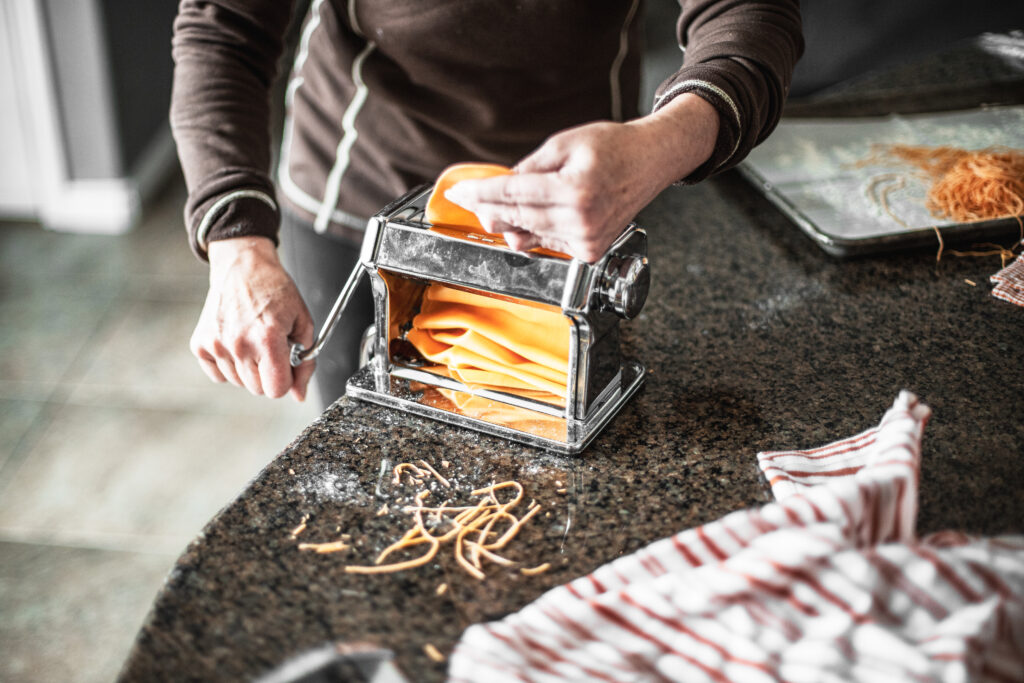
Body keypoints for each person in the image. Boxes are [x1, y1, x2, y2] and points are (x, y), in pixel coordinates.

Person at [170, 0, 803, 408]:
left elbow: (750, 12)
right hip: (362, 197)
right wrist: (236, 240)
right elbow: (223, 29)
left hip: (576, 202)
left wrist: (664, 144)